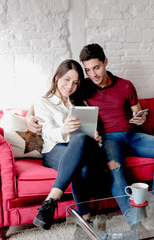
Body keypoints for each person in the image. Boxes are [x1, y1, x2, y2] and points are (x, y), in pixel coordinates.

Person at [27, 44, 154, 228]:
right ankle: (67, 209)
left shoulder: (80, 96)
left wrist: (140, 119)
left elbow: (136, 112)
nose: (93, 75)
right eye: (88, 71)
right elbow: (44, 112)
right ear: (57, 77)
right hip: (86, 143)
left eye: (96, 68)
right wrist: (29, 116)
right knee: (93, 166)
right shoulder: (71, 93)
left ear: (105, 62)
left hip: (120, 137)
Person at [32, 59, 110, 230]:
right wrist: (64, 130)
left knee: (82, 140)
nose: (70, 86)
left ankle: (50, 202)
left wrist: (94, 137)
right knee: (80, 165)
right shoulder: (43, 103)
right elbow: (47, 132)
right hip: (54, 150)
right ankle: (85, 217)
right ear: (56, 78)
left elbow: (88, 133)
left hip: (81, 147)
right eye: (66, 79)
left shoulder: (80, 103)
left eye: (75, 82)